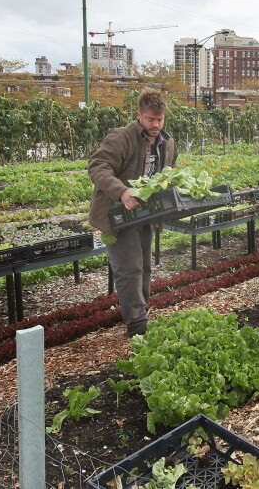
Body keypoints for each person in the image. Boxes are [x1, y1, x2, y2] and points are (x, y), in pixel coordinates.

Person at [88, 88, 178, 336]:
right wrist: (122, 191)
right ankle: (137, 327)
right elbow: (98, 166)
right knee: (130, 270)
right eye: (151, 119)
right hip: (118, 213)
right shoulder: (121, 138)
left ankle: (141, 315)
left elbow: (169, 174)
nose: (156, 124)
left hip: (145, 214)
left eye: (160, 120)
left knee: (145, 268)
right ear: (139, 115)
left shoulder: (167, 143)